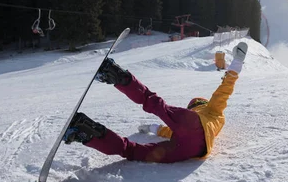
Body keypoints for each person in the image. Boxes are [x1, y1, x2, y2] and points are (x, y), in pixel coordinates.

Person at [63, 42, 248, 163]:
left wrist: (237, 62)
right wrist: (150, 128)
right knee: (133, 151)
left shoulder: (210, 110)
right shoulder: (215, 118)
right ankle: (85, 131)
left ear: (194, 106)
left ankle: (116, 75)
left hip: (191, 126)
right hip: (192, 150)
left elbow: (224, 90)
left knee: (153, 102)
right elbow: (167, 131)